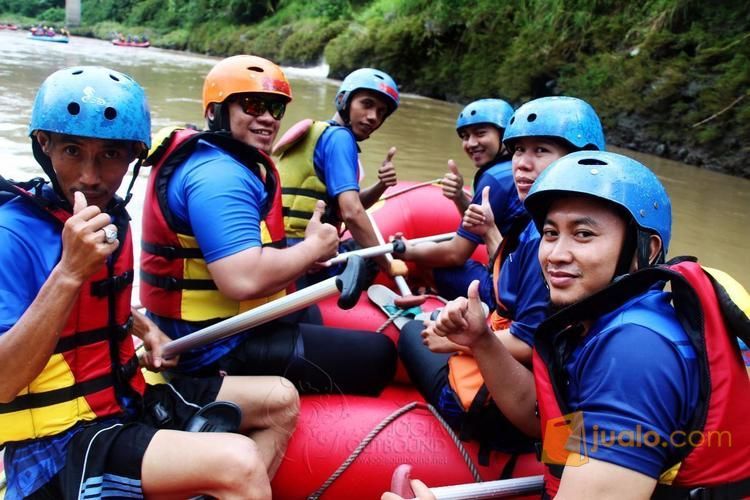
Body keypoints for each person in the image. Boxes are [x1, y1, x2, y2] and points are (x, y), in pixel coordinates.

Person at [0, 66, 299, 500]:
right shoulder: (11, 236)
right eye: (71, 150)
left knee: (279, 398)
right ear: (43, 145)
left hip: (124, 400)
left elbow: (97, 305)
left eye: (110, 155)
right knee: (239, 462)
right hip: (54, 446)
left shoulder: (109, 218)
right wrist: (69, 272)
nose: (90, 176)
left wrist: (146, 329)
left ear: (134, 157)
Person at [400, 150, 750, 499]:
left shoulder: (634, 351)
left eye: (583, 234)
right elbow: (546, 424)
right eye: (551, 234)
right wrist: (482, 340)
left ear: (647, 249)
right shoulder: (604, 323)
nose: (556, 254)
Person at [140, 55, 396, 395]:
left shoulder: (218, 159)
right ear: (216, 110)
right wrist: (312, 248)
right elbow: (242, 279)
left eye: (274, 109)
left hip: (231, 322)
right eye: (252, 105)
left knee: (310, 316)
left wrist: (306, 254)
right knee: (381, 356)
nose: (266, 118)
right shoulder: (218, 175)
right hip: (214, 346)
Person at [397, 96, 606, 458]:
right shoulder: (548, 226)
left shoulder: (547, 241)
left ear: (580, 159)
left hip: (505, 415)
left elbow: (530, 342)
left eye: (540, 150)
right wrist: (492, 229)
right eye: (518, 150)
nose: (522, 164)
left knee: (410, 333)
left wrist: (463, 341)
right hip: (547, 403)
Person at [275, 67, 403, 286]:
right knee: (374, 257)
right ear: (344, 100)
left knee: (361, 246)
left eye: (381, 112)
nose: (373, 117)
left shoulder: (321, 133)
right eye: (367, 104)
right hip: (306, 259)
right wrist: (388, 264)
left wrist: (382, 185)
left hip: (281, 247)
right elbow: (352, 213)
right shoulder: (340, 139)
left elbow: (341, 208)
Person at [396, 98, 525, 307]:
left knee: (430, 261)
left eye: (481, 133)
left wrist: (408, 252)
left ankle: (442, 302)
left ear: (505, 135)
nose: (471, 143)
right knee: (433, 249)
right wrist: (458, 196)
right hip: (522, 278)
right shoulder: (517, 170)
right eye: (465, 136)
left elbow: (455, 254)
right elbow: (482, 226)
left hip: (508, 291)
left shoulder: (495, 179)